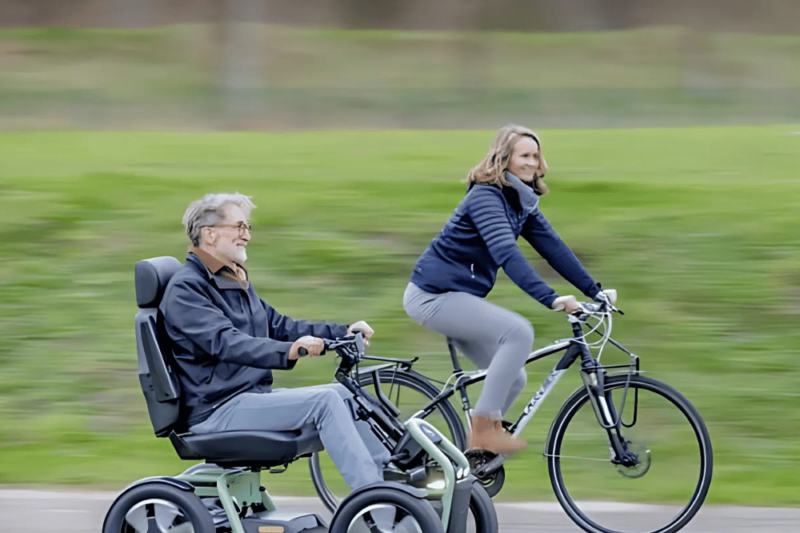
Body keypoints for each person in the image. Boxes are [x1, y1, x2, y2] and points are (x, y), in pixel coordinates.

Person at [403, 124, 616, 454]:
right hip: (433, 297)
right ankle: (483, 431)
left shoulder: (520, 201)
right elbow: (507, 253)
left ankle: (471, 460)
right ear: (504, 159)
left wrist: (594, 291)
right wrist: (550, 298)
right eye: (524, 156)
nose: (532, 162)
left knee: (514, 377)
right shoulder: (485, 197)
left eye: (536, 155)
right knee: (518, 332)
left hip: (460, 298)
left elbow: (554, 248)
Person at [160, 192, 391, 490]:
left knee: (347, 393)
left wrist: (341, 332)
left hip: (248, 397)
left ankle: (391, 480)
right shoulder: (187, 289)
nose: (247, 235)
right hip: (217, 409)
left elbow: (280, 325)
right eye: (239, 227)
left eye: (248, 227)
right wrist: (289, 351)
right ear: (210, 234)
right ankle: (374, 496)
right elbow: (227, 343)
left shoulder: (230, 280)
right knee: (325, 402)